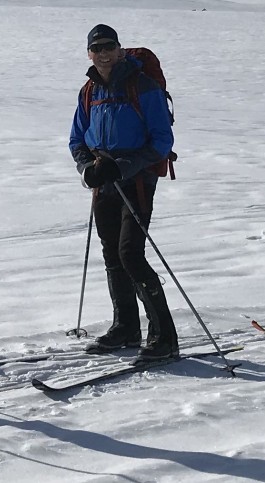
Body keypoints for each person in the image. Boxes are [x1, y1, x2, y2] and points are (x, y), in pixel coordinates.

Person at [68, 23, 178, 361]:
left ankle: (164, 336)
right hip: (103, 180)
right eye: (96, 48)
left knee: (130, 253)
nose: (103, 53)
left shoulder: (142, 86)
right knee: (112, 254)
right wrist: (87, 168)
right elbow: (76, 138)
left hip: (137, 179)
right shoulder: (89, 91)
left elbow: (162, 140)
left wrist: (123, 166)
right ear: (89, 53)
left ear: (119, 49)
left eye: (108, 46)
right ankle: (126, 327)